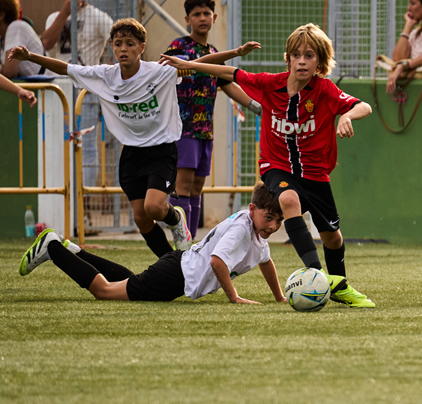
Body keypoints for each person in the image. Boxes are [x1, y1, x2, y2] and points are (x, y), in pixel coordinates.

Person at [159, 23, 377, 308]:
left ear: (319, 62)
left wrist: (346, 117)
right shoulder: (268, 83)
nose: (302, 60)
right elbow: (230, 72)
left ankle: (340, 286)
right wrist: (190, 64)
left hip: (316, 174)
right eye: (296, 54)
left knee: (333, 238)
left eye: (309, 55)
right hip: (275, 166)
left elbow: (364, 106)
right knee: (288, 199)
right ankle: (318, 276)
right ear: (287, 59)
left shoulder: (324, 90)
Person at [8, 19, 193, 257]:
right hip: (132, 154)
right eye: (118, 44)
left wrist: (235, 56)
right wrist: (30, 56)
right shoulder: (105, 75)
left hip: (162, 150)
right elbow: (65, 68)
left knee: (154, 207)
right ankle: (172, 264)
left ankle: (177, 220)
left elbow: (203, 65)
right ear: (112, 47)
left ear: (142, 47)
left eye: (130, 43)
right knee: (140, 218)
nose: (123, 48)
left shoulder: (159, 72)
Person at [18, 183, 286, 305]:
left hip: (176, 270)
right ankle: (52, 248)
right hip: (174, 277)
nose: (273, 226)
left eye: (279, 221)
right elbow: (217, 262)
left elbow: (265, 260)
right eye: (269, 218)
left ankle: (73, 252)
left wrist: (279, 297)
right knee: (104, 291)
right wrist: (235, 297)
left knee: (129, 282)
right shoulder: (242, 228)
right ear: (253, 209)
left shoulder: (254, 229)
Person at [163, 0, 263, 238]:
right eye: (196, 14)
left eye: (206, 13)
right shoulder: (179, 47)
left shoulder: (214, 51)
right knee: (183, 188)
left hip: (205, 131)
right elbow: (193, 64)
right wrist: (236, 52)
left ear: (214, 17)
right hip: (183, 130)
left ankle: (194, 241)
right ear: (187, 19)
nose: (202, 18)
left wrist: (256, 106)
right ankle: (181, 241)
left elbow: (227, 84)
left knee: (197, 188)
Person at [39, 0, 113, 194]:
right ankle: (64, 199)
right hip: (59, 89)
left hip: (86, 90)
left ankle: (85, 204)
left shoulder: (98, 17)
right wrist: (65, 11)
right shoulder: (55, 17)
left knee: (87, 146)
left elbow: (118, 43)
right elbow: (46, 43)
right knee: (58, 145)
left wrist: (108, 73)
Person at [0, 0, 46, 78]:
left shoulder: (15, 27)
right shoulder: (3, 37)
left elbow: (10, 72)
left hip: (50, 89)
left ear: (1, 15)